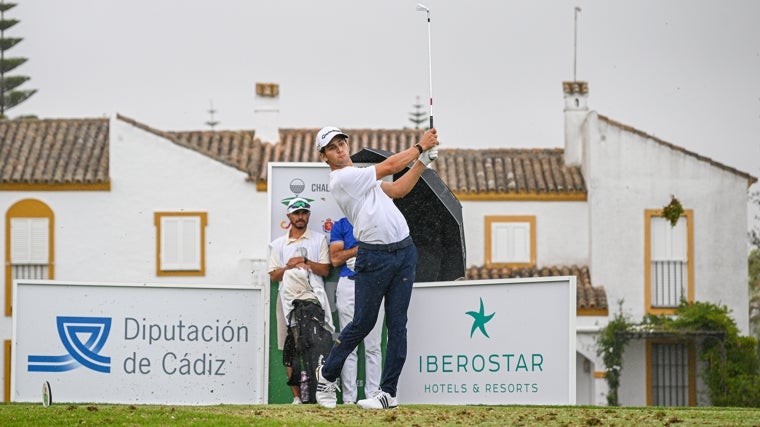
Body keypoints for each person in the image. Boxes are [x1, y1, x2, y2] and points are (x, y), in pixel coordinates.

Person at [313, 125, 439, 410]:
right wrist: (420, 147)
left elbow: (398, 189)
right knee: (363, 323)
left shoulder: (360, 177)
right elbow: (391, 165)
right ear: (325, 156)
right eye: (332, 147)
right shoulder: (342, 179)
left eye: (342, 143)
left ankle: (388, 394)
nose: (340, 149)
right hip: (375, 256)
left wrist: (423, 162)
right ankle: (327, 374)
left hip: (404, 252)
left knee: (398, 325)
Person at [268, 197, 335, 404]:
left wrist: (304, 262)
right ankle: (297, 397)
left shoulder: (318, 240)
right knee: (290, 347)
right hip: (287, 299)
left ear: (309, 215)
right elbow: (273, 275)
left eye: (304, 213)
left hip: (313, 297)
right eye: (296, 213)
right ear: (289, 216)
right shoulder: (278, 244)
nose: (300, 217)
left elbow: (325, 269)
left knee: (317, 346)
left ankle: (318, 393)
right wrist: (291, 268)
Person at [329, 217, 384, 404]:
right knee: (348, 344)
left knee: (373, 345)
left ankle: (373, 396)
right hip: (348, 285)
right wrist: (357, 251)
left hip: (374, 283)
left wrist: (366, 255)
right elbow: (335, 258)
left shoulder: (379, 222)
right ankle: (348, 399)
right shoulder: (342, 225)